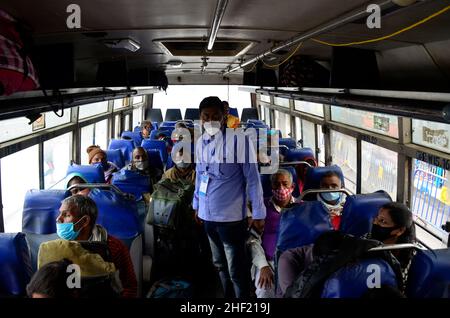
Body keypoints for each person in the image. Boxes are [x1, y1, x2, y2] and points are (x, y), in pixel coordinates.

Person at [193, 96, 266, 298]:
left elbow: (253, 179)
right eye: (205, 117)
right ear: (200, 118)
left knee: (237, 270)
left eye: (215, 116)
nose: (210, 121)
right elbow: (200, 176)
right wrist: (196, 205)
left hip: (231, 219)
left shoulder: (240, 141)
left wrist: (259, 214)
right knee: (220, 266)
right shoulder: (200, 143)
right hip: (208, 217)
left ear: (224, 117)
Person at [277, 202, 416, 296]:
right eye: (377, 219)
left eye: (382, 221)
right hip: (307, 261)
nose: (375, 223)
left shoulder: (409, 256)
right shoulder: (362, 243)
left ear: (399, 231)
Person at [55, 195, 138, 298]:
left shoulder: (113, 247)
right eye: (60, 213)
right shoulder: (55, 247)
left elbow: (129, 286)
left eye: (66, 215)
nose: (58, 219)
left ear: (84, 221)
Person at [247, 169, 297, 298]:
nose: (281, 188)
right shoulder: (260, 208)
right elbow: (253, 240)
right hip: (269, 262)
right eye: (276, 184)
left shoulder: (302, 208)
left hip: (295, 262)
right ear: (271, 187)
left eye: (285, 184)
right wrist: (263, 266)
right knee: (264, 290)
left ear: (292, 187)